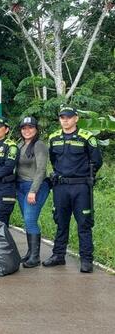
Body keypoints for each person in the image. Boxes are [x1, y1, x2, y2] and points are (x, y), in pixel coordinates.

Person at [43, 106, 102, 273]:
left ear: (76, 118)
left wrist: (85, 176)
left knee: (84, 224)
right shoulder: (53, 138)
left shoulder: (86, 137)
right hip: (61, 187)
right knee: (61, 222)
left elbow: (96, 161)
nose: (65, 120)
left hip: (81, 187)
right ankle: (58, 255)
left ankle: (86, 260)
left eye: (68, 117)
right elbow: (54, 160)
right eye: (62, 117)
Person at [16, 116, 50, 268]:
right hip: (21, 186)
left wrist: (33, 191)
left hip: (35, 187)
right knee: (27, 220)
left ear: (36, 129)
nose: (27, 130)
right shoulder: (20, 145)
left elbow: (41, 170)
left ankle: (35, 257)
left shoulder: (39, 145)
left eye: (30, 127)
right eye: (24, 128)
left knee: (30, 220)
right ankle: (30, 253)